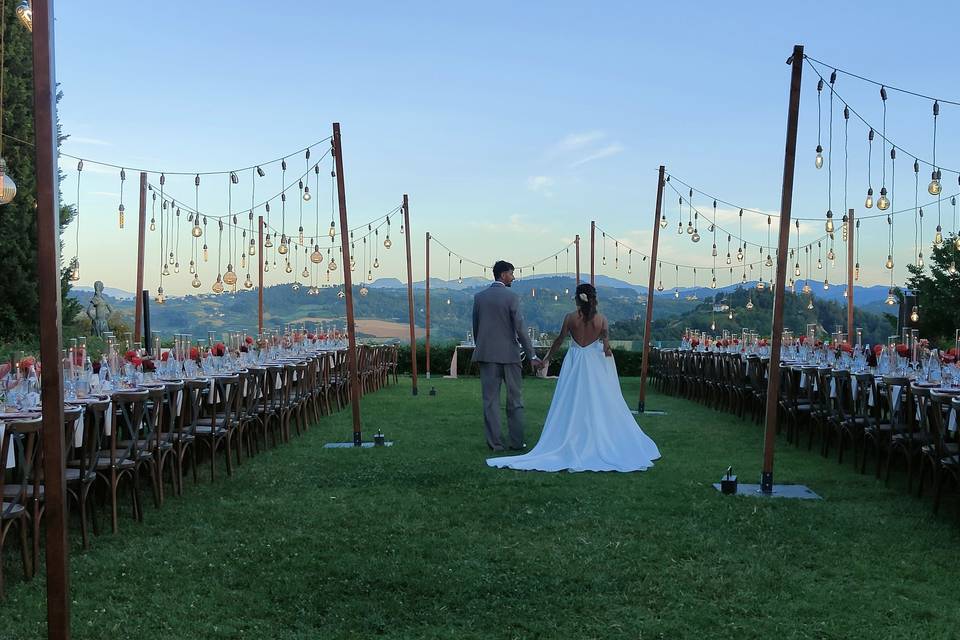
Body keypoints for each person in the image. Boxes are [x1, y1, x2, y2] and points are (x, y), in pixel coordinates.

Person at [487, 283, 660, 472]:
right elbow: (606, 347)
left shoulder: (570, 318)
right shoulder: (602, 320)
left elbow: (560, 339)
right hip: (594, 364)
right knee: (597, 400)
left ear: (577, 299)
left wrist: (546, 360)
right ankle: (596, 433)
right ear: (594, 298)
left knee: (571, 400)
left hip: (575, 362)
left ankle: (571, 434)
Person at [472, 260, 541, 452]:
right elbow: (520, 329)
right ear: (503, 275)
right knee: (515, 400)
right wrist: (532, 355)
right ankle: (517, 442)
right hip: (510, 356)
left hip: (487, 355)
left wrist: (482, 348)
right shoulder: (512, 297)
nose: (513, 277)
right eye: (511, 273)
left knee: (490, 401)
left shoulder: (479, 297)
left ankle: (495, 444)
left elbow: (476, 328)